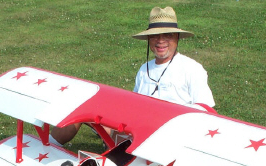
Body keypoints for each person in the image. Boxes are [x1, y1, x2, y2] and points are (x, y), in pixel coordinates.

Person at [50, 6, 215, 145]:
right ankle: (46, 147)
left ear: (177, 37)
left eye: (167, 35)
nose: (160, 40)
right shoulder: (144, 70)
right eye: (155, 35)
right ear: (148, 39)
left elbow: (205, 110)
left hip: (167, 140)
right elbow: (133, 106)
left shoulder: (192, 68)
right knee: (82, 105)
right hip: (134, 133)